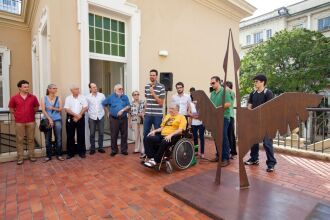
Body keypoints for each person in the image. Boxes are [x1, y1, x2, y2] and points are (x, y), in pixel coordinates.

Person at [244, 74, 277, 172]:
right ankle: (254, 159)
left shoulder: (268, 93)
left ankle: (271, 164)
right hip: (255, 122)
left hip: (267, 123)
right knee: (253, 142)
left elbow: (269, 108)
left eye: (256, 81)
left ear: (262, 82)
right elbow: (249, 106)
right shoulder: (253, 93)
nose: (255, 83)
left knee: (267, 143)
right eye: (254, 81)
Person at [8, 80, 40, 165]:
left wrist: (31, 113)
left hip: (31, 121)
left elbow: (36, 107)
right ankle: (20, 158)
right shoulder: (14, 98)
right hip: (19, 122)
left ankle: (32, 156)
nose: (27, 88)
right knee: (19, 140)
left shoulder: (33, 97)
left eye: (27, 86)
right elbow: (11, 108)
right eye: (25, 87)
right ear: (20, 88)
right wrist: (17, 115)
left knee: (31, 139)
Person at [102, 84, 130, 156]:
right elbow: (103, 104)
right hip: (114, 119)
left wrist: (122, 110)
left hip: (123, 118)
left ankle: (124, 150)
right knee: (114, 135)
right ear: (115, 90)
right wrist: (107, 112)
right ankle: (114, 150)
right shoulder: (111, 97)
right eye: (119, 89)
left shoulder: (125, 97)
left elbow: (128, 106)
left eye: (122, 89)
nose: (121, 90)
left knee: (124, 135)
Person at [209, 76, 231, 167]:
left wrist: (217, 109)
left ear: (218, 82)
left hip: (224, 117)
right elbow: (211, 105)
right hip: (215, 118)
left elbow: (228, 104)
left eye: (213, 83)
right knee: (216, 137)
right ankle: (219, 155)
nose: (212, 85)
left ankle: (226, 158)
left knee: (223, 137)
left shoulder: (225, 91)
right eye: (211, 83)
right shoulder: (212, 93)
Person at [40, 84, 65, 162]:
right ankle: (48, 156)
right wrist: (49, 119)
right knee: (48, 139)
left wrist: (52, 108)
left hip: (57, 119)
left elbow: (61, 109)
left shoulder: (58, 98)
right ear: (49, 89)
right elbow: (43, 110)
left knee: (59, 138)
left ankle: (59, 154)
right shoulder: (44, 98)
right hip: (47, 120)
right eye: (54, 88)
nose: (55, 90)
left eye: (56, 88)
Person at [64, 85, 88, 159]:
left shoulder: (82, 97)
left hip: (80, 117)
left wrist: (79, 115)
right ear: (72, 91)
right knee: (70, 135)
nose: (78, 90)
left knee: (81, 135)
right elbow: (66, 109)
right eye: (76, 89)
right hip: (71, 118)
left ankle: (82, 152)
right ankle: (70, 153)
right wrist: (75, 115)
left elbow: (85, 107)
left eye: (78, 89)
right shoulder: (68, 98)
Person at [143, 69, 165, 138]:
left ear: (156, 76)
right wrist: (144, 111)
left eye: (153, 75)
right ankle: (147, 149)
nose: (152, 76)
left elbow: (161, 103)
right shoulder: (147, 86)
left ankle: (156, 149)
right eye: (150, 75)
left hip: (157, 115)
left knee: (157, 134)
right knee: (145, 133)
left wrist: (153, 93)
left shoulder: (161, 87)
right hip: (148, 115)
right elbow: (147, 100)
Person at [86, 83, 106, 155]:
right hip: (92, 117)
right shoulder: (87, 97)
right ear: (90, 89)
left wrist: (107, 113)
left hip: (101, 116)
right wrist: (89, 113)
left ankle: (100, 147)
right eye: (93, 87)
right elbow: (86, 107)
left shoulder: (102, 95)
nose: (95, 88)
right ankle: (92, 148)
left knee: (101, 133)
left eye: (96, 87)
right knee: (92, 134)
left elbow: (104, 105)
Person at [188, 87, 205, 158]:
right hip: (194, 124)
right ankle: (196, 151)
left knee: (202, 138)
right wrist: (193, 115)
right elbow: (188, 112)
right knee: (195, 138)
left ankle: (202, 152)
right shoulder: (190, 103)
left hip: (201, 123)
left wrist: (198, 115)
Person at [128, 90, 145, 156]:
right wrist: (129, 123)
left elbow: (145, 109)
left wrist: (143, 113)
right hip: (134, 119)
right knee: (136, 135)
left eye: (137, 94)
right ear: (133, 96)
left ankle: (143, 148)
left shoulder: (143, 102)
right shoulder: (130, 104)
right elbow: (129, 114)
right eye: (135, 94)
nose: (136, 95)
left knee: (142, 134)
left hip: (141, 119)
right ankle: (137, 148)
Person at [226, 81, 237, 159]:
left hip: (230, 116)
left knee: (231, 135)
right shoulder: (224, 94)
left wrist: (227, 89)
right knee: (225, 135)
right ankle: (226, 150)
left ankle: (233, 152)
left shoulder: (231, 93)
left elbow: (233, 94)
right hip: (224, 116)